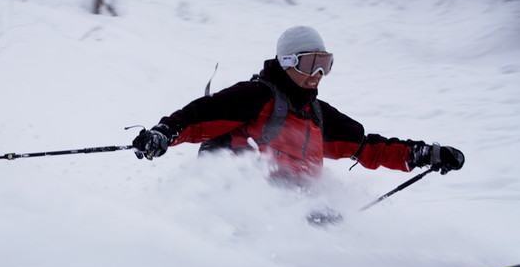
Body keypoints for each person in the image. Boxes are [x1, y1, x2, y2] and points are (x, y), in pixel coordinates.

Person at [132, 26, 464, 186]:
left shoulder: (318, 115)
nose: (318, 74)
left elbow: (366, 148)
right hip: (239, 197)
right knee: (305, 219)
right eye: (309, 63)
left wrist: (422, 154)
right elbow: (197, 117)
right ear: (287, 62)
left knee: (329, 219)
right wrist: (163, 134)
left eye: (325, 64)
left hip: (296, 202)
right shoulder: (255, 96)